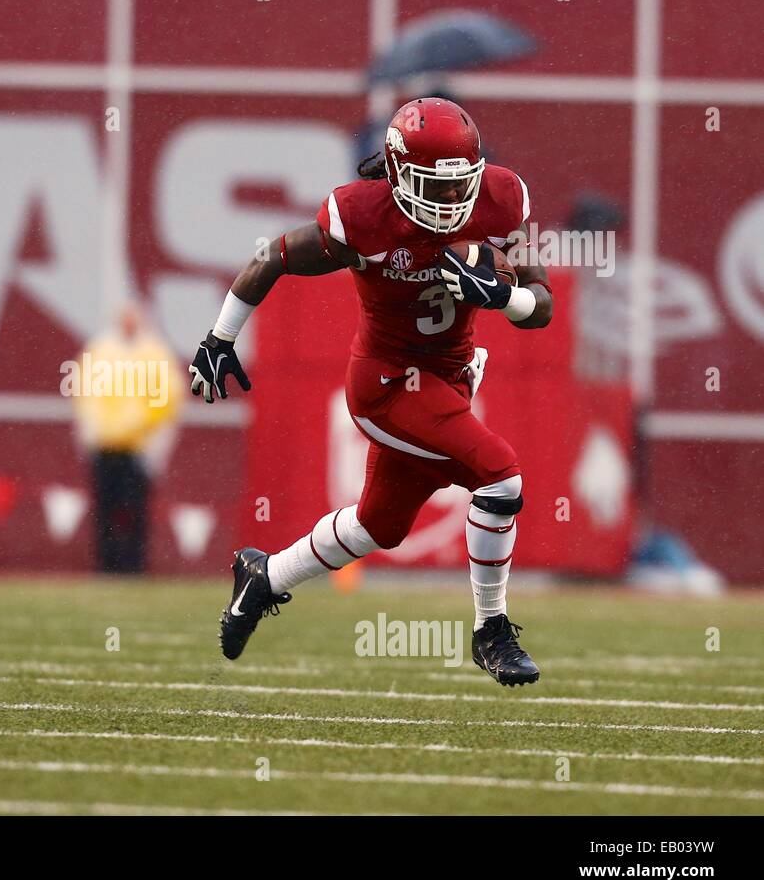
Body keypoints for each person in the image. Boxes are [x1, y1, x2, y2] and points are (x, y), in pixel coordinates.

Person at [190, 97, 552, 686]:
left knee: (378, 527)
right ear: (399, 172)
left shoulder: (501, 198)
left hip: (451, 380)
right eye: (434, 187)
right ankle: (491, 631)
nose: (450, 201)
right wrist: (219, 337)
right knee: (501, 475)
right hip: (387, 386)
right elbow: (271, 258)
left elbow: (542, 307)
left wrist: (502, 297)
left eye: (459, 185)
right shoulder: (360, 216)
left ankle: (264, 577)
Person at [73, 304, 181, 573]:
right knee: (105, 508)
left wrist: (146, 429)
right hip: (106, 444)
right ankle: (107, 565)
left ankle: (134, 565)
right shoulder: (100, 350)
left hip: (139, 445)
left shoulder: (154, 353)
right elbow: (85, 394)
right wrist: (93, 430)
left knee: (135, 509)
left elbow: (169, 397)